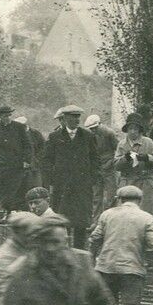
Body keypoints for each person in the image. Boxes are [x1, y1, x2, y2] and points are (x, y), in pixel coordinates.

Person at [89, 184, 153, 305]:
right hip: (133, 270)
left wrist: (92, 264)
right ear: (140, 201)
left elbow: (94, 240)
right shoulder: (147, 218)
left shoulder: (107, 214)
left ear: (119, 199)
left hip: (106, 268)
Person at [43, 105, 100, 248]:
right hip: (62, 187)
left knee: (81, 223)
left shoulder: (88, 136)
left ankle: (80, 255)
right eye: (73, 116)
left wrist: (92, 179)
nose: (77, 119)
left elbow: (95, 159)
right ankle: (63, 254)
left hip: (82, 186)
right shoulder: (55, 137)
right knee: (62, 221)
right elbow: (46, 161)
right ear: (65, 118)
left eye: (78, 116)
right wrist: (52, 180)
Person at [0, 105, 33, 220]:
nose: (7, 118)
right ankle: (8, 211)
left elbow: (28, 145)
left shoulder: (19, 127)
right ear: (0, 117)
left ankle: (18, 212)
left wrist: (27, 160)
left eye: (8, 115)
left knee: (18, 187)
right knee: (5, 188)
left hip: (18, 164)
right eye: (4, 116)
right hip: (3, 166)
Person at [115, 113, 153, 218]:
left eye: (135, 129)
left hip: (145, 183)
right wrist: (125, 159)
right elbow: (116, 166)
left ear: (140, 130)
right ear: (127, 130)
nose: (132, 131)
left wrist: (147, 158)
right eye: (130, 128)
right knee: (126, 214)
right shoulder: (122, 145)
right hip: (128, 183)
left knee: (146, 214)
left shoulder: (148, 142)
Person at [85, 113, 121, 211]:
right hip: (97, 169)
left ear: (100, 124)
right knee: (96, 196)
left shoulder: (109, 133)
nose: (93, 130)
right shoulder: (89, 136)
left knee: (111, 195)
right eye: (91, 129)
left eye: (95, 128)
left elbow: (118, 150)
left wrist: (111, 162)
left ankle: (111, 216)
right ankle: (96, 220)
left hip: (110, 168)